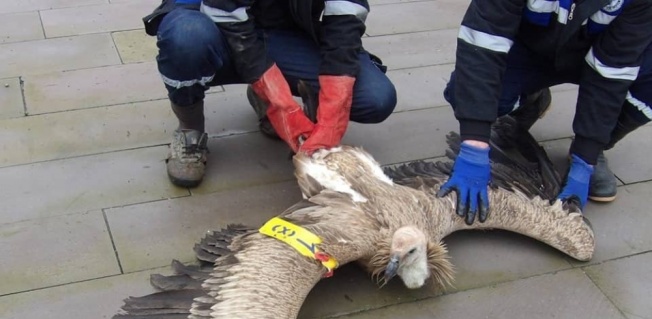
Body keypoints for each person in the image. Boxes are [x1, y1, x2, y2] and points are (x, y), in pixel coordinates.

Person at [439, 0, 652, 225]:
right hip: (527, 48)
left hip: (596, 50)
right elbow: (483, 41)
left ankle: (594, 150)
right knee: (463, 93)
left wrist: (586, 154)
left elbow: (612, 71)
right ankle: (530, 98)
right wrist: (474, 145)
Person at [143, 0, 397, 187]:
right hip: (211, 23)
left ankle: (276, 99)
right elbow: (225, 11)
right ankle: (190, 129)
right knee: (186, 39)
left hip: (288, 32)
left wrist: (332, 120)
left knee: (374, 98)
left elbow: (344, 24)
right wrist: (282, 105)